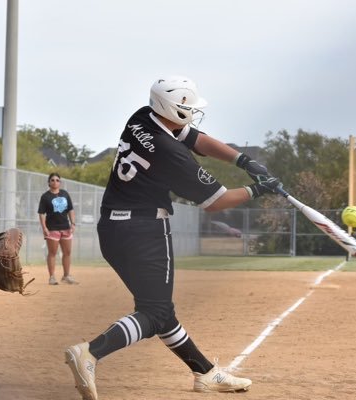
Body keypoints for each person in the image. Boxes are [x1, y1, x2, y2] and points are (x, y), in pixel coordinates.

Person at [65, 76, 281, 399]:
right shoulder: (171, 154)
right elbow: (216, 202)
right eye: (188, 108)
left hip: (111, 230)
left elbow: (197, 139)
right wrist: (257, 189)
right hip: (146, 232)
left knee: (160, 311)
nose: (192, 113)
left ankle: (205, 373)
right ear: (175, 110)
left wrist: (244, 161)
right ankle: (91, 352)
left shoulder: (141, 117)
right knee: (154, 314)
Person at [38, 172, 78, 285]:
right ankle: (52, 277)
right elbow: (41, 214)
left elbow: (70, 210)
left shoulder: (65, 194)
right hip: (52, 229)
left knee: (67, 252)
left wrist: (73, 224)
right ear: (49, 182)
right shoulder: (45, 197)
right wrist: (44, 228)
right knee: (52, 253)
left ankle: (66, 276)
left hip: (66, 228)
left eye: (57, 180)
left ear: (60, 182)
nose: (55, 182)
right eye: (52, 180)